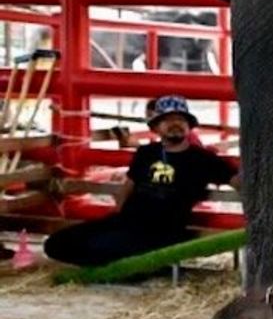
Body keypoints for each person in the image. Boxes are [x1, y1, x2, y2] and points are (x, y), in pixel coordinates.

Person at [43, 95, 239, 268]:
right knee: (55, 244)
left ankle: (138, 264)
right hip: (127, 222)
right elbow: (128, 186)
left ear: (189, 126)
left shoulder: (203, 159)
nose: (175, 124)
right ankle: (132, 264)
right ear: (156, 127)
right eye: (168, 120)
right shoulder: (146, 153)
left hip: (163, 230)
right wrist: (118, 215)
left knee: (103, 248)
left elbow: (237, 181)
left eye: (181, 119)